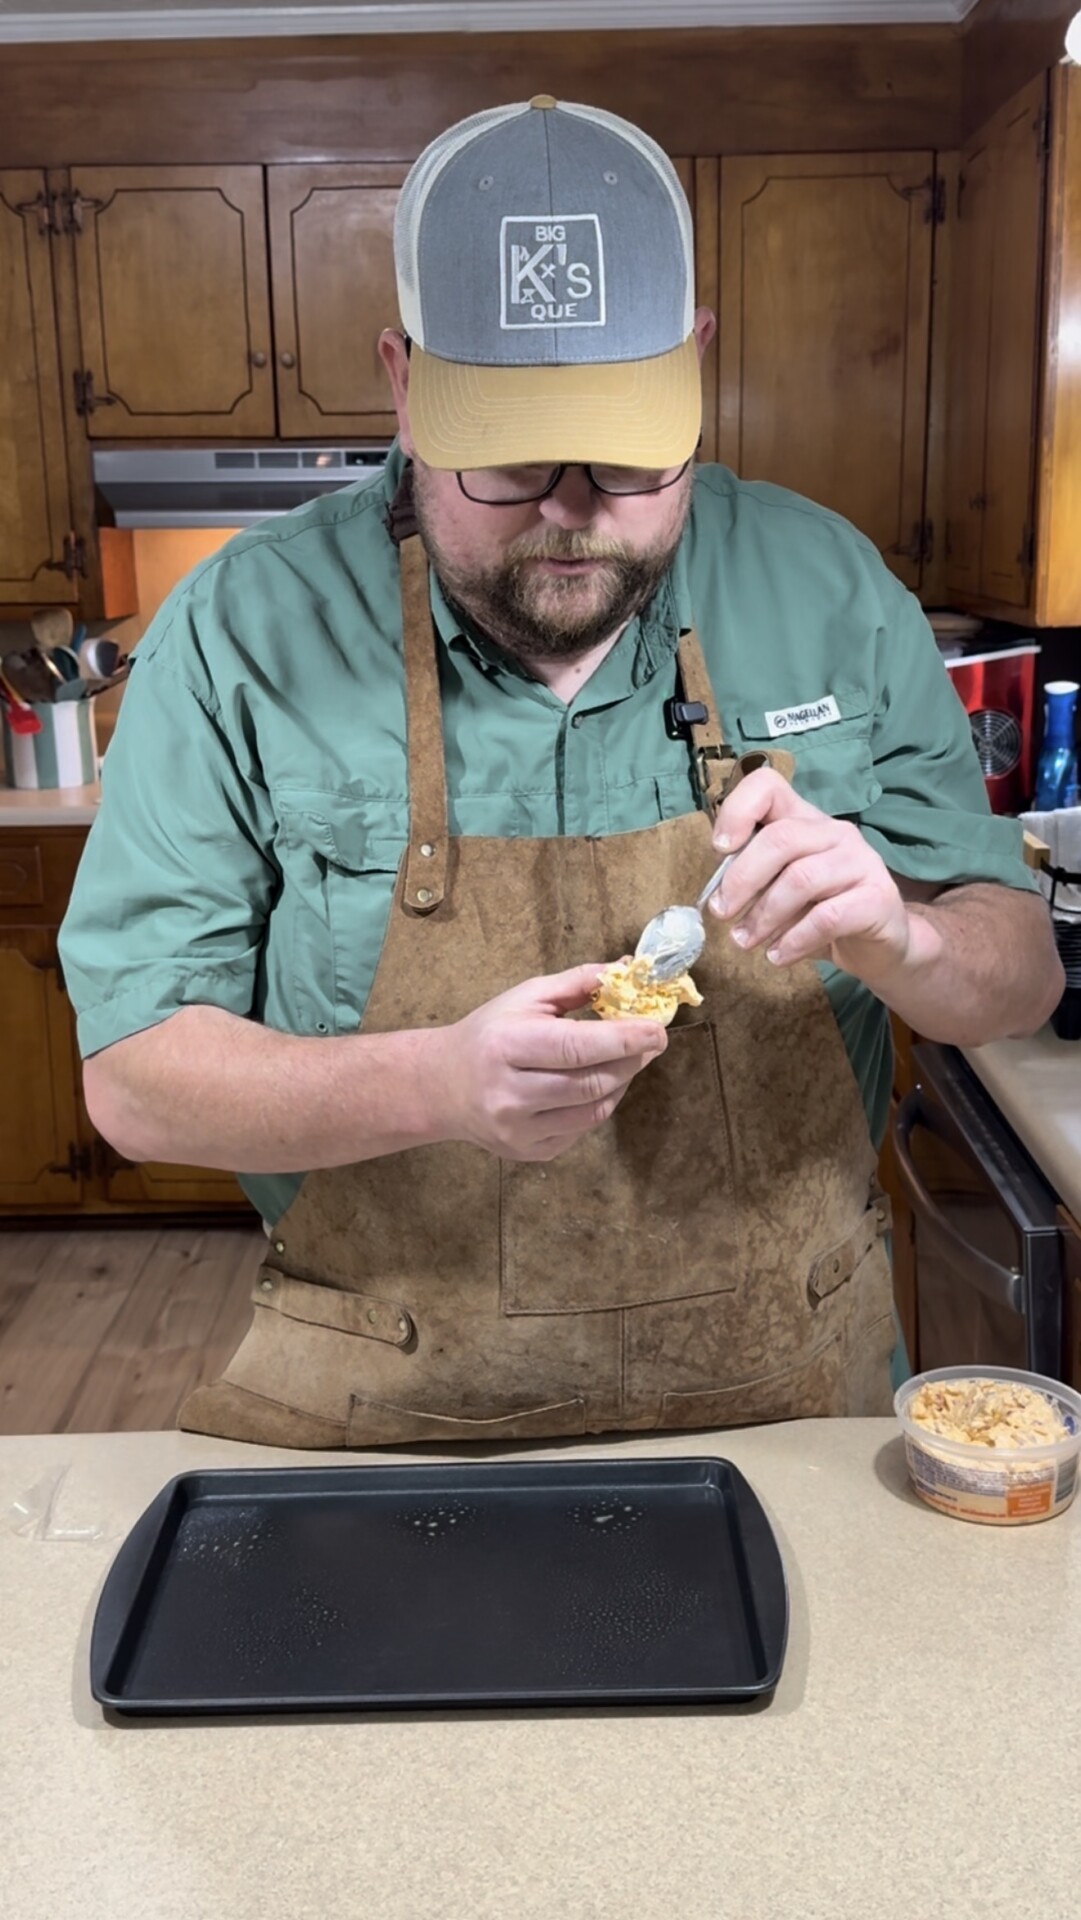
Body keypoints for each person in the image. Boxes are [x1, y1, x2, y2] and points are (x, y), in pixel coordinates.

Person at [59, 96, 1063, 1450]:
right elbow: (133, 1081)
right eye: (512, 455)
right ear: (404, 384)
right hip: (386, 1395)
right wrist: (437, 1084)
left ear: (696, 363)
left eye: (629, 445)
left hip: (789, 1401)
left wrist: (900, 936)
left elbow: (1018, 975)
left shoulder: (829, 589)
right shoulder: (242, 632)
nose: (574, 507)